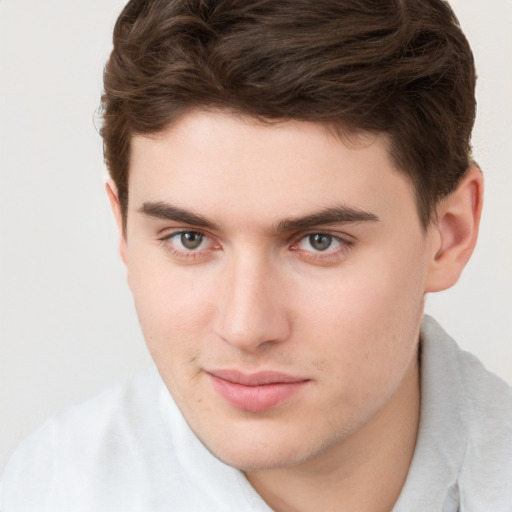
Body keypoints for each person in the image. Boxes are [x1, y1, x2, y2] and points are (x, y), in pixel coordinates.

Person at [1, 0, 511, 510]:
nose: (246, 328)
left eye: (320, 242)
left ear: (449, 235)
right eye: (190, 239)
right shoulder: (49, 490)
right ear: (124, 231)